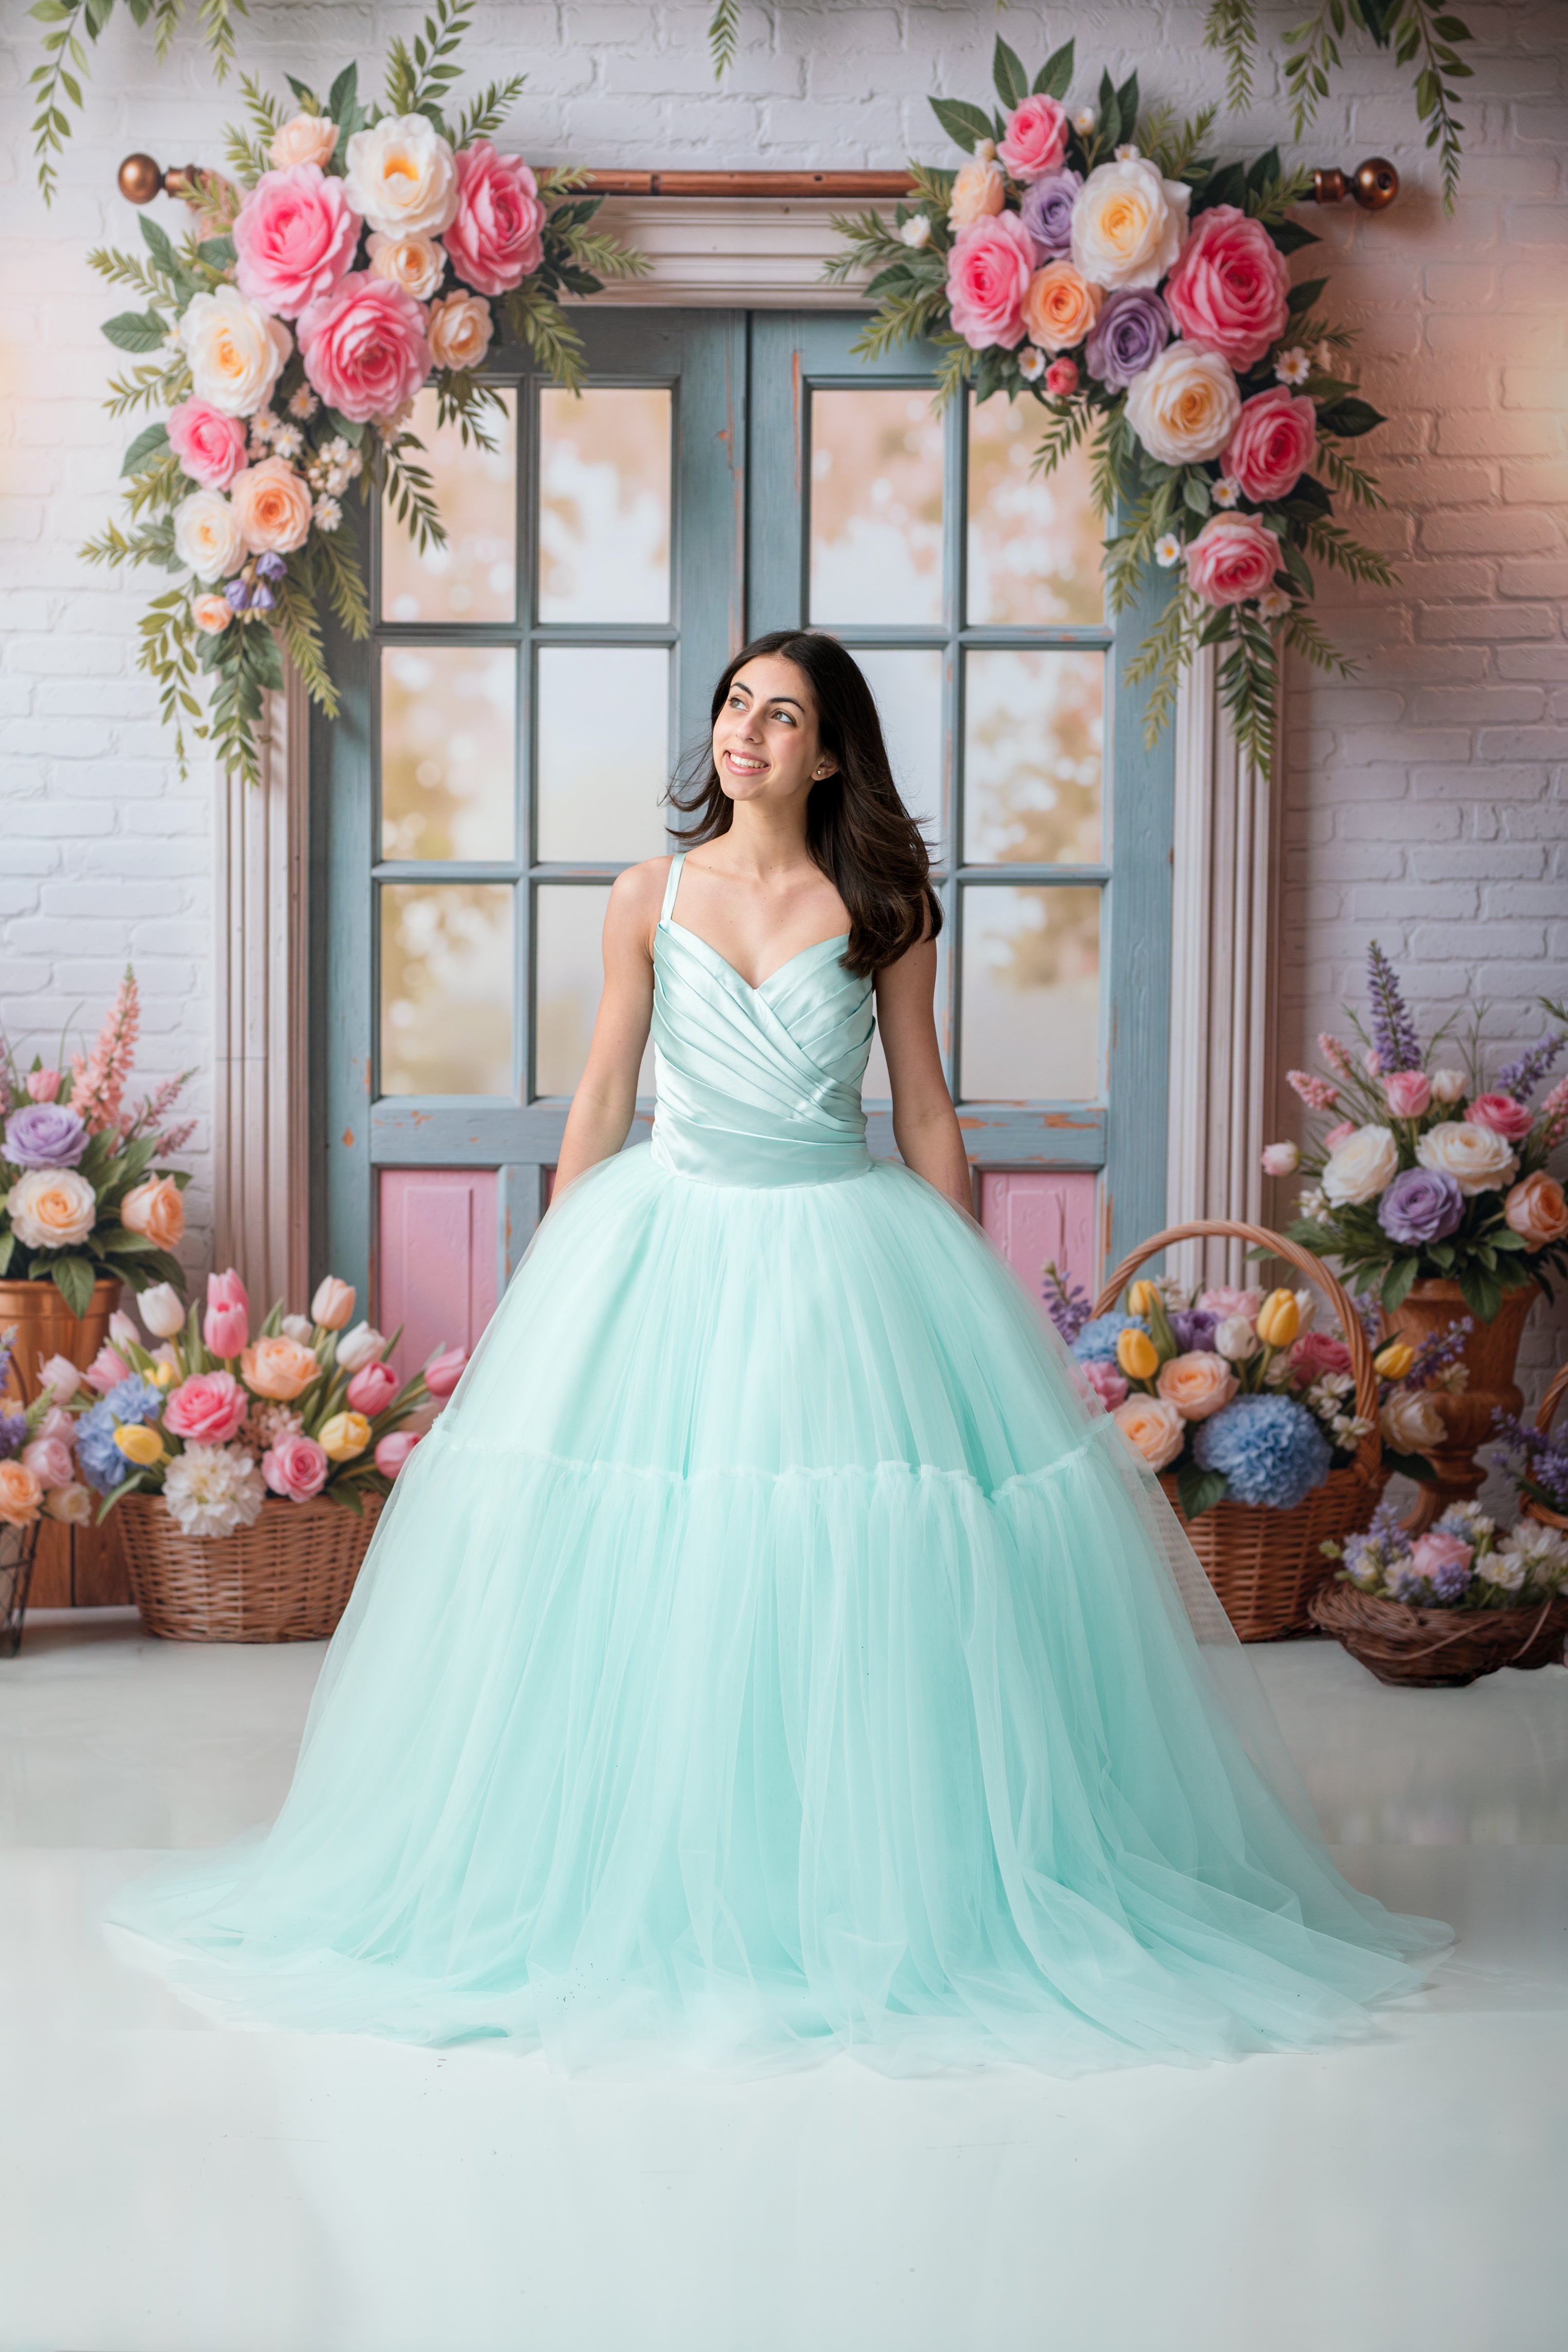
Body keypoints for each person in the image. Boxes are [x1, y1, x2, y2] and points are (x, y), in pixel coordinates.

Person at [109, 631, 1448, 2070]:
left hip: (839, 1247)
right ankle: (645, 1866)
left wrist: (961, 1286)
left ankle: (872, 1878)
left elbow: (927, 1108)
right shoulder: (649, 894)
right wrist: (559, 1256)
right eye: (735, 704)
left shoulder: (879, 906)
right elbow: (606, 1089)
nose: (743, 730)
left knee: (858, 1566)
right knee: (646, 1564)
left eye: (781, 714)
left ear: (826, 753)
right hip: (667, 1234)